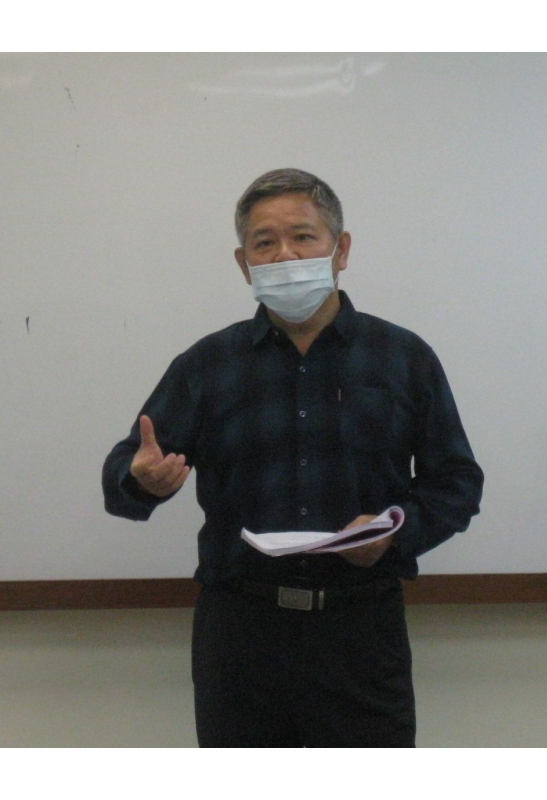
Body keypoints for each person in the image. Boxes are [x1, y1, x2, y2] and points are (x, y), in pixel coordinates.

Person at [102, 168, 484, 748]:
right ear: (244, 263)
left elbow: (456, 482)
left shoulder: (403, 358)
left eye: (303, 237)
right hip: (241, 636)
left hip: (360, 631)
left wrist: (394, 533)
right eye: (265, 243)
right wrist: (142, 481)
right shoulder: (208, 364)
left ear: (341, 249)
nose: (285, 255)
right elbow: (126, 470)